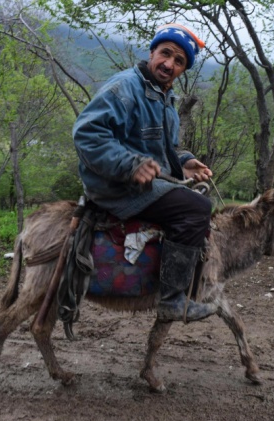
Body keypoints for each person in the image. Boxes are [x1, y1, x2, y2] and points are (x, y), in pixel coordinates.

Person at [72, 23, 217, 323]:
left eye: (179, 61)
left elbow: (163, 150)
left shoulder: (166, 99)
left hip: (141, 183)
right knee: (198, 208)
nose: (169, 64)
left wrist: (185, 161)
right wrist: (130, 165)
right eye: (165, 54)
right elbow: (87, 134)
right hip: (116, 187)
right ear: (152, 52)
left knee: (194, 199)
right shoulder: (124, 88)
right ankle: (173, 299)